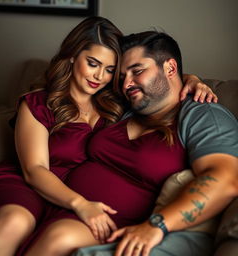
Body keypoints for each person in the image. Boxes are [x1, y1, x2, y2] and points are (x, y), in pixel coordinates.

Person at [0, 16, 217, 256]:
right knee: (15, 222)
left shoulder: (117, 101)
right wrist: (81, 204)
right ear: (73, 55)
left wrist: (192, 80)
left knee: (58, 236)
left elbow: (159, 81)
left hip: (74, 202)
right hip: (28, 183)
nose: (99, 77)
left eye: (110, 70)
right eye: (93, 63)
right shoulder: (39, 103)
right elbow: (35, 170)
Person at [69, 31, 238, 256]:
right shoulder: (128, 106)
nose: (126, 84)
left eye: (137, 71)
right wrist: (191, 77)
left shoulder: (203, 115)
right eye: (122, 76)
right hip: (69, 207)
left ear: (170, 68)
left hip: (118, 228)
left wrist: (157, 224)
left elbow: (225, 179)